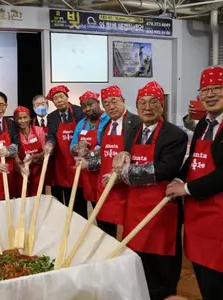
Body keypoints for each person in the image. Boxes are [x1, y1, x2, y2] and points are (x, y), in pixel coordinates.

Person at [114, 81, 187, 300]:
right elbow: (126, 152)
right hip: (136, 204)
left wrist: (127, 173)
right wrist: (122, 156)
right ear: (137, 106)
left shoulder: (175, 135)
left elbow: (167, 168)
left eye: (153, 102)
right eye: (142, 103)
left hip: (162, 207)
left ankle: (165, 293)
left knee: (162, 259)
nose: (147, 107)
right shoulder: (134, 129)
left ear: (162, 106)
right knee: (138, 255)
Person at [166, 66, 223, 300]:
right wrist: (179, 177)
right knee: (203, 274)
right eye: (205, 90)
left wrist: (187, 188)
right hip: (197, 217)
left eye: (217, 88)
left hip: (219, 218)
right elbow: (194, 157)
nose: (210, 95)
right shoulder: (203, 124)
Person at [87, 85, 141, 237]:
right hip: (106, 183)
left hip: (126, 186)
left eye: (114, 101)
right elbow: (104, 155)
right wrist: (88, 162)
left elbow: (138, 154)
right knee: (105, 226)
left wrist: (121, 173)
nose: (111, 106)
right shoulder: (106, 126)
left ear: (123, 100)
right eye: (106, 103)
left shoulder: (136, 122)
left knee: (129, 228)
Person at [43, 85, 87, 218]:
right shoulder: (52, 117)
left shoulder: (80, 112)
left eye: (61, 96)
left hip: (79, 161)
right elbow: (51, 134)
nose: (59, 100)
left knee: (80, 200)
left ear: (67, 97)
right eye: (55, 98)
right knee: (67, 198)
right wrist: (50, 143)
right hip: (62, 161)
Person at [71, 91, 110, 203]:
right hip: (87, 173)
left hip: (103, 170)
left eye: (90, 104)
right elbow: (72, 145)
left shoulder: (108, 120)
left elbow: (110, 146)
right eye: (84, 106)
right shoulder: (81, 124)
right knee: (93, 204)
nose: (87, 109)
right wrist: (77, 147)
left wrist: (92, 152)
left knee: (105, 207)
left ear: (98, 103)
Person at [13, 106, 46, 197]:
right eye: (19, 118)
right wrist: (21, 169)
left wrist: (37, 157)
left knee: (37, 198)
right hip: (21, 172)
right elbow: (14, 156)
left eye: (25, 117)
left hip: (38, 172)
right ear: (15, 120)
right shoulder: (14, 134)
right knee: (23, 198)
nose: (22, 121)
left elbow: (45, 151)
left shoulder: (39, 131)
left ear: (30, 117)